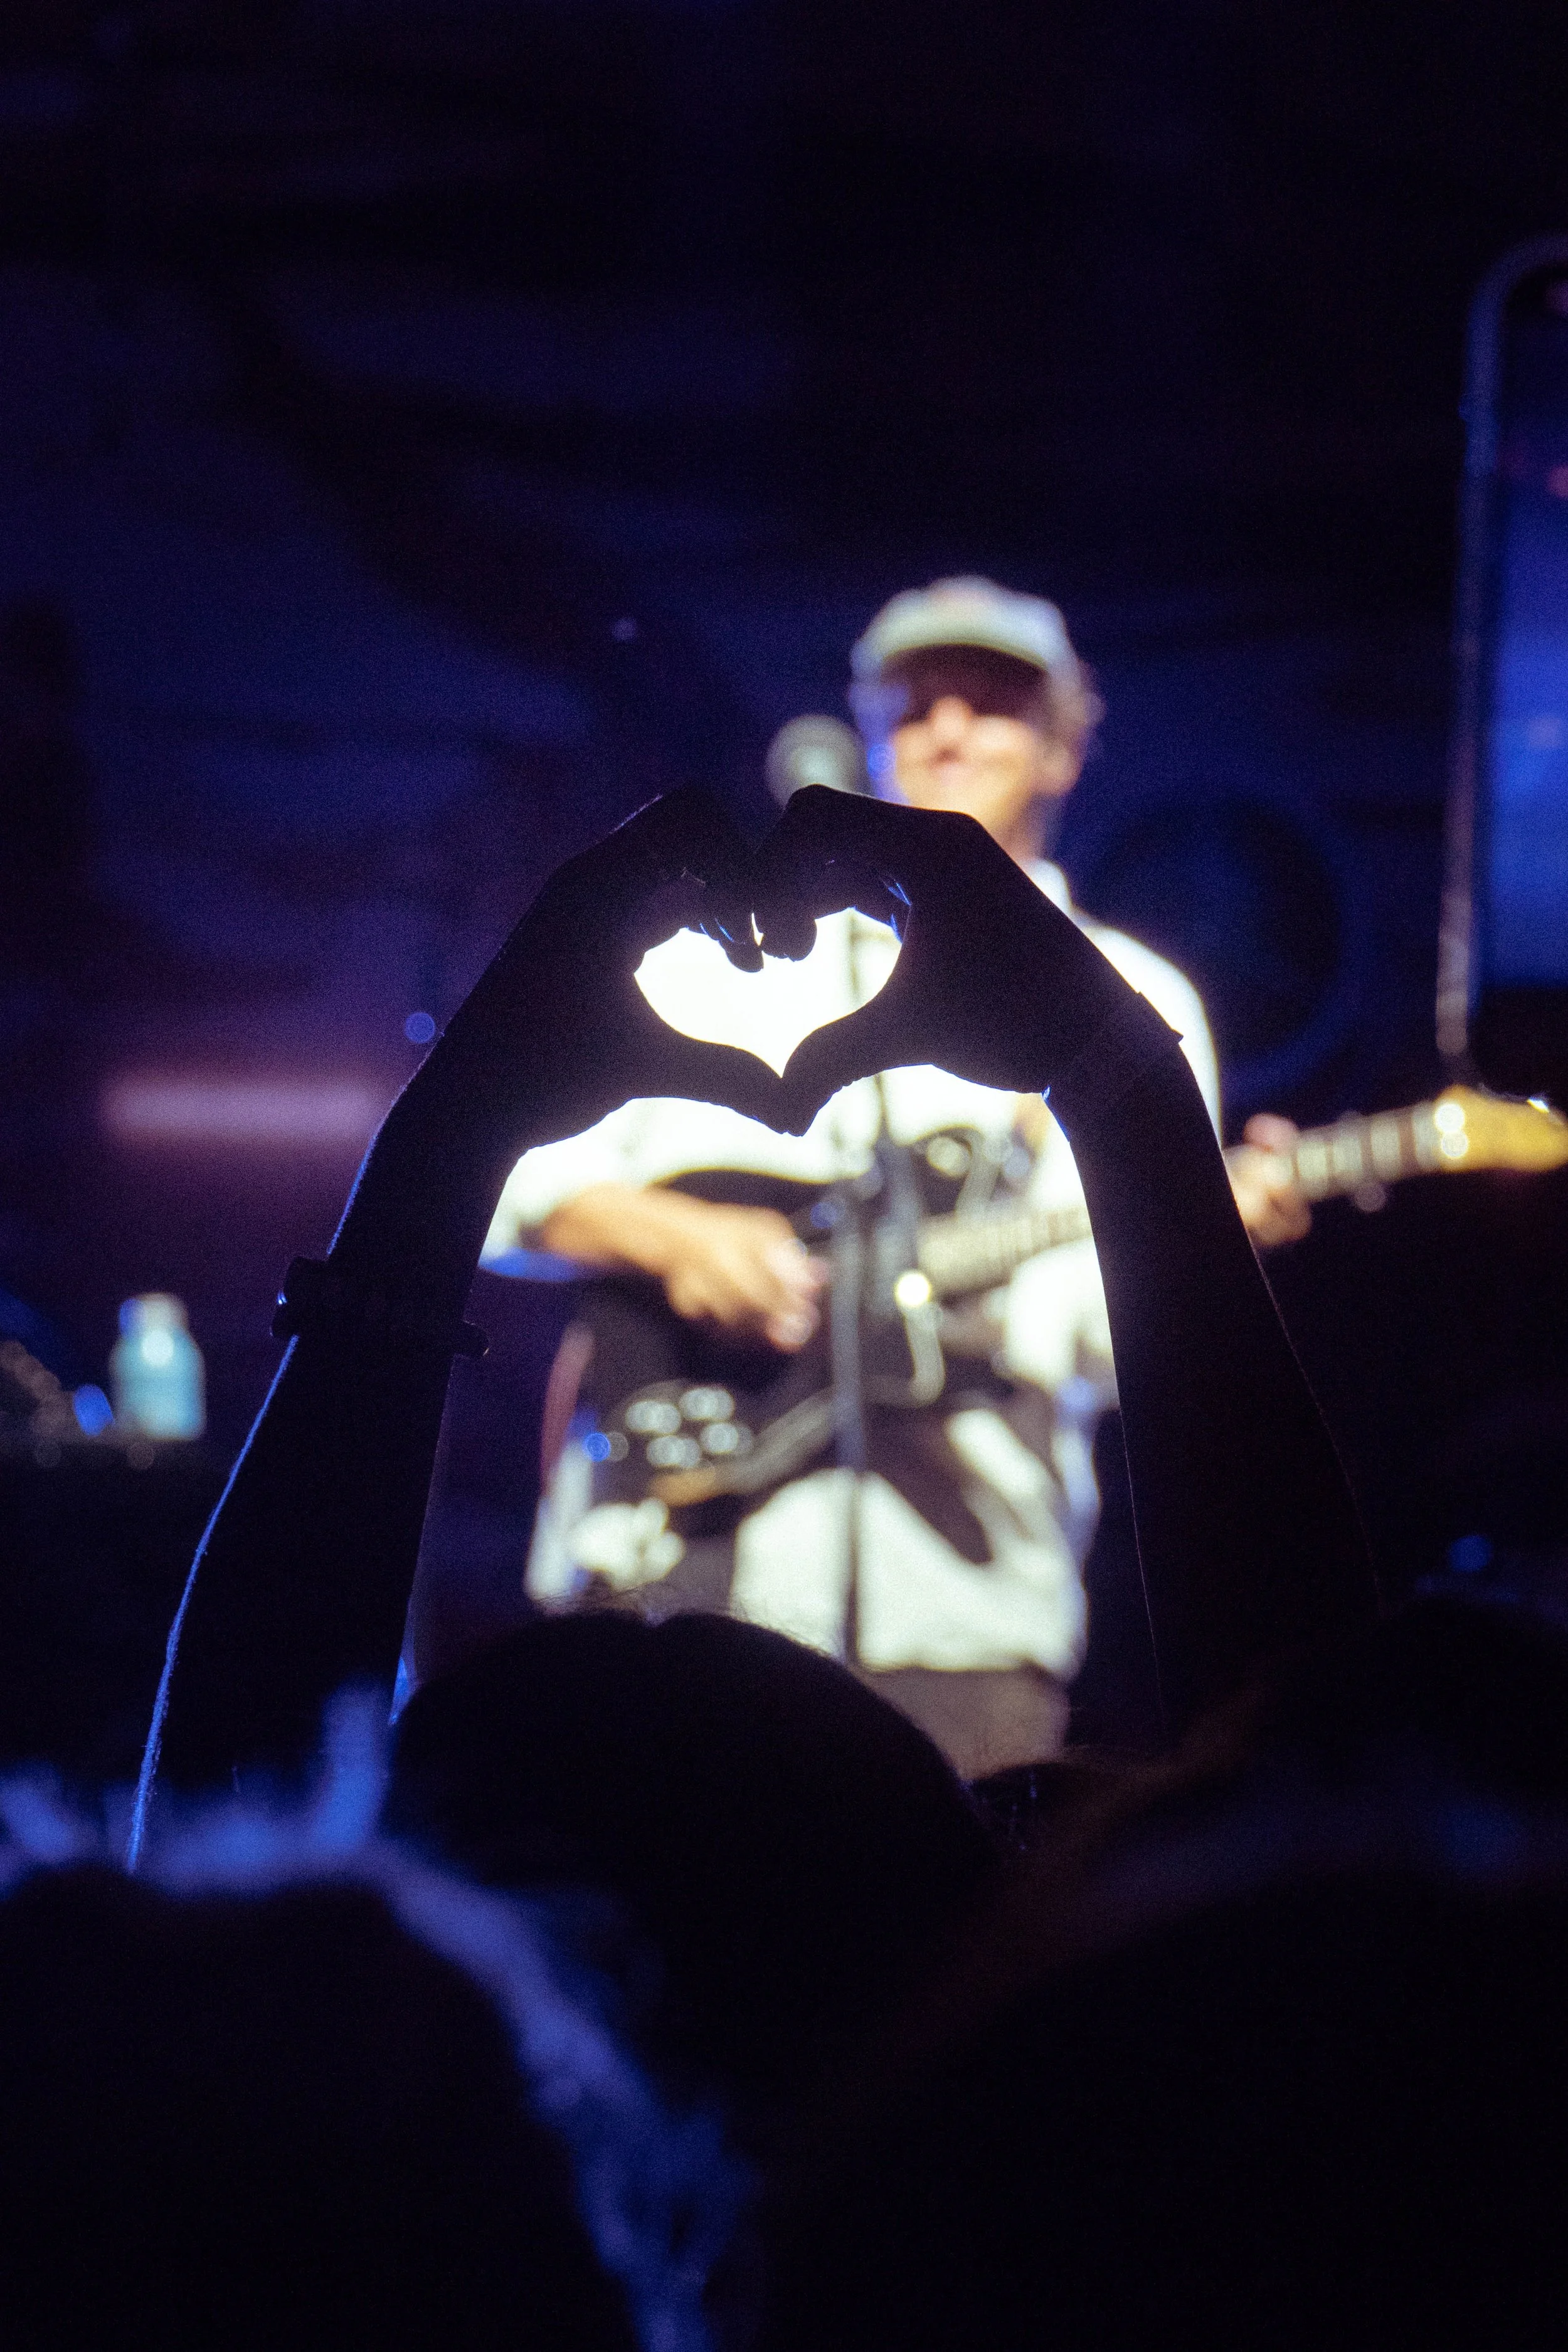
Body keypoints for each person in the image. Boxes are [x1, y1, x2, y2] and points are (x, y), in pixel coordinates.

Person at [481, 580, 1311, 1776]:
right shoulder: (722, 965)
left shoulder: (1136, 999)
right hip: (657, 1584)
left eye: (996, 705)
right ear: (868, 729)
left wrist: (1205, 1257)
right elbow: (509, 1184)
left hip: (964, 1625)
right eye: (919, 702)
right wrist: (674, 1237)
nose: (953, 730)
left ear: (1067, 747)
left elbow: (1101, 1354)